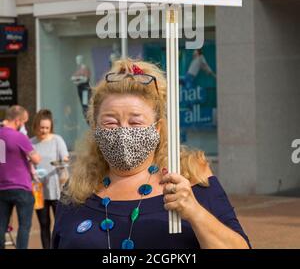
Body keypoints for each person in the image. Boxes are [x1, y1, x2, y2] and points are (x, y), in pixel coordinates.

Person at [52, 59, 250, 249]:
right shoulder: (77, 190)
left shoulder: (190, 178)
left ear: (158, 128)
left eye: (136, 122)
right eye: (110, 122)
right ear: (95, 127)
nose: (123, 131)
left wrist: (195, 212)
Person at [0, 105, 41, 249]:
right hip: (21, 187)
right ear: (17, 121)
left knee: (1, 225)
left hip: (2, 187)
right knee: (24, 226)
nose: (23, 125)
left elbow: (2, 158)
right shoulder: (19, 137)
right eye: (23, 121)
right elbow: (36, 159)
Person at [31, 109, 69, 249]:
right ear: (35, 126)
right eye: (41, 127)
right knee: (44, 224)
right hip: (38, 189)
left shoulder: (57, 140)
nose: (44, 130)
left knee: (59, 223)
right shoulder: (31, 142)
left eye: (47, 128)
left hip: (56, 188)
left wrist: (64, 161)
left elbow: (65, 159)